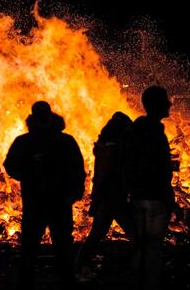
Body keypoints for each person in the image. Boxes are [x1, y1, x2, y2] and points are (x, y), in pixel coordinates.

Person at [4, 101, 86, 289]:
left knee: (43, 249)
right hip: (45, 203)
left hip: (50, 203)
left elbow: (78, 171)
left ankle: (58, 281)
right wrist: (29, 174)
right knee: (42, 249)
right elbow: (11, 166)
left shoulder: (30, 142)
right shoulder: (62, 141)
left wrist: (72, 195)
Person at [124, 86, 176, 290]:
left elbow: (129, 164)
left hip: (138, 197)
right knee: (153, 248)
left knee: (141, 246)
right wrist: (166, 194)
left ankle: (137, 283)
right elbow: (155, 167)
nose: (169, 103)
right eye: (165, 100)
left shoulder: (135, 130)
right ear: (157, 104)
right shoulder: (153, 132)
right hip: (154, 198)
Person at [74, 111, 135, 277]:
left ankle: (78, 267)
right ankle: (141, 271)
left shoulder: (106, 147)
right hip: (114, 198)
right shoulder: (112, 149)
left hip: (107, 198)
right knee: (136, 234)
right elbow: (107, 175)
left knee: (97, 234)